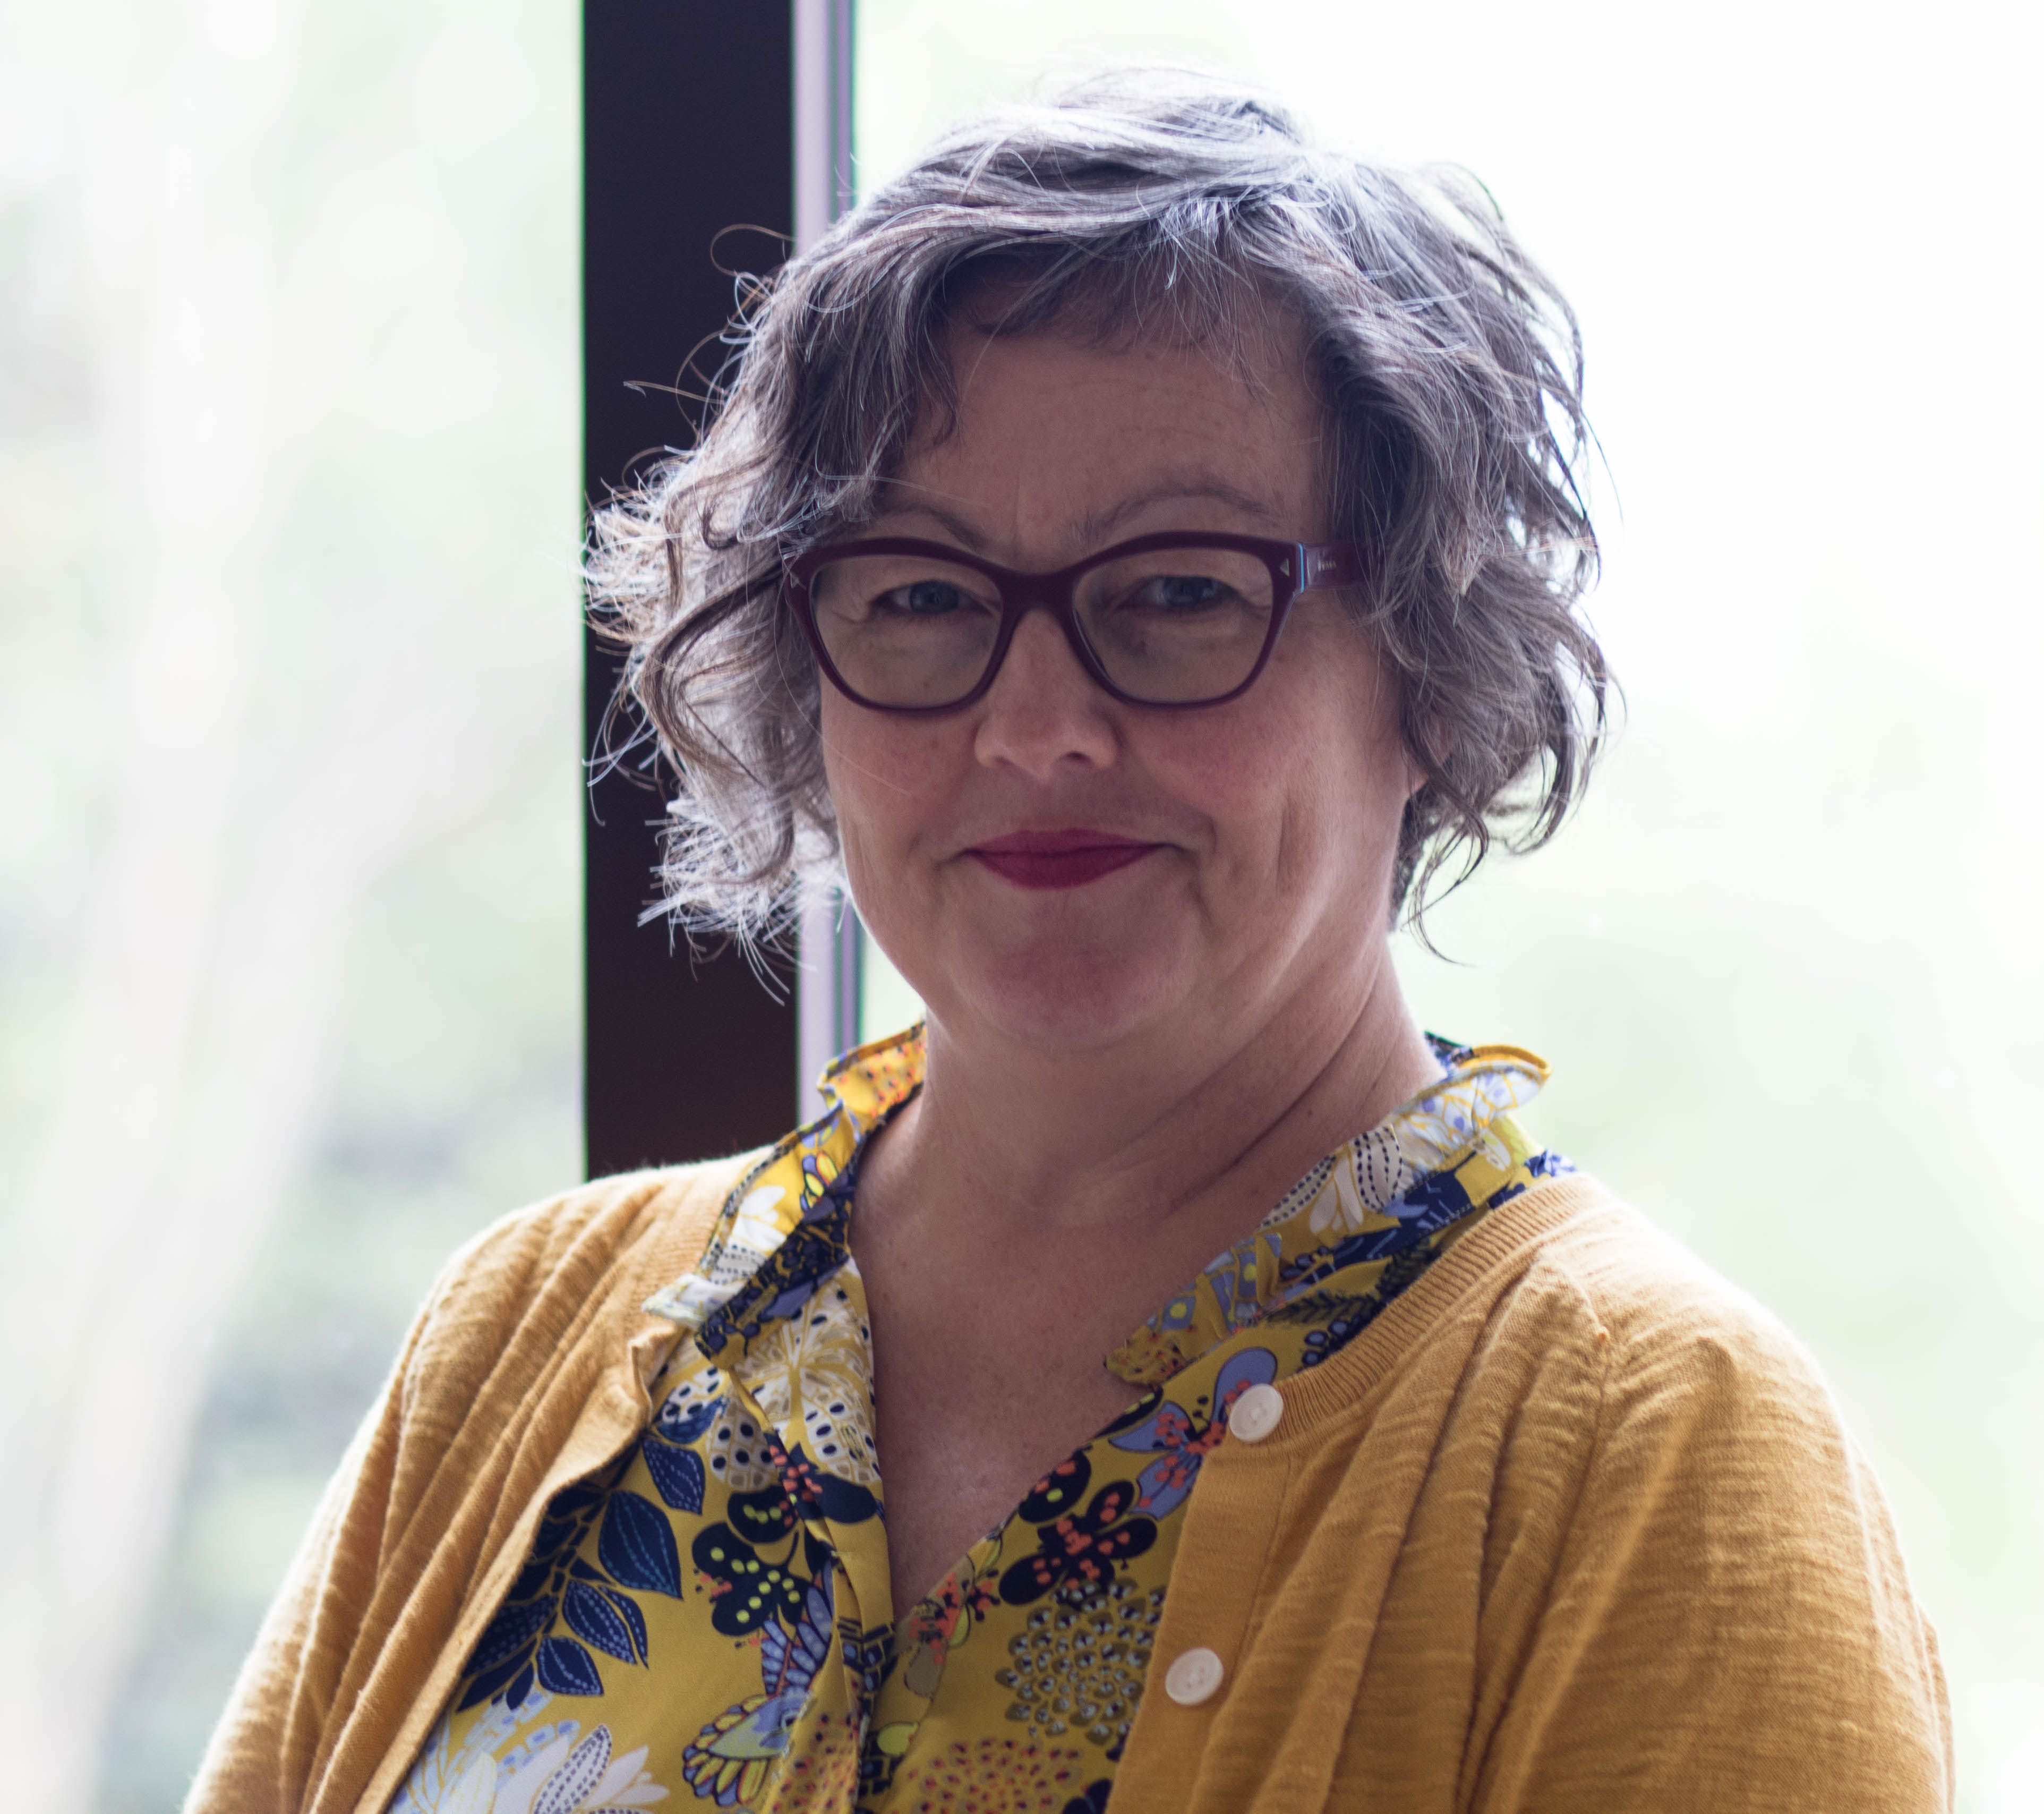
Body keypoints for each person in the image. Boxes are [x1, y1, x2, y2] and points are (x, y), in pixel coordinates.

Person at [189, 68, 1951, 1814]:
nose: (1035, 729)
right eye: (919, 594)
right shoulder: (525, 1335)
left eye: (1179, 591)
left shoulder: (1656, 1453)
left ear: (1427, 664)